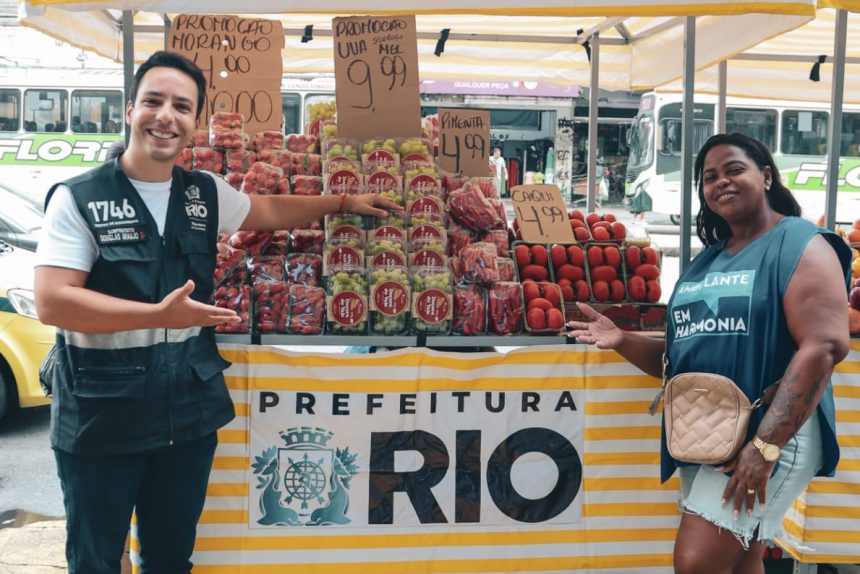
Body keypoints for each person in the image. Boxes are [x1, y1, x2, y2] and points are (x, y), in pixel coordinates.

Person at [33, 51, 400, 574]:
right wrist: (156, 315)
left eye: (182, 106)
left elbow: (266, 211)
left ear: (196, 122)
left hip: (185, 417)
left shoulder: (201, 193)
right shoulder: (80, 198)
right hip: (101, 416)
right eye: (154, 101)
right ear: (130, 108)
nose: (167, 116)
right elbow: (53, 300)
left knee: (169, 559)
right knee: (95, 561)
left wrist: (340, 204)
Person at [567, 132, 850, 574]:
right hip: (709, 433)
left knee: (696, 562)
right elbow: (681, 358)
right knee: (740, 561)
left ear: (767, 176)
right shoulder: (710, 259)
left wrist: (764, 447)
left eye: (735, 169)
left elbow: (825, 346)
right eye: (709, 177)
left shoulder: (800, 242)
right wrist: (623, 340)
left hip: (769, 431)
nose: (721, 182)